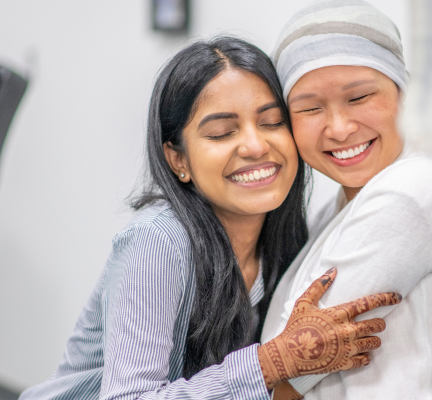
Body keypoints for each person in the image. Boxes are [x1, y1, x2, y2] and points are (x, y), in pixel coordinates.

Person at [19, 37, 401, 400]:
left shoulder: (289, 240)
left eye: (271, 122)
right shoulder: (157, 241)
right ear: (178, 160)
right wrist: (270, 363)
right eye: (221, 133)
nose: (255, 146)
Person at [261, 1, 432, 399]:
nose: (340, 128)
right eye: (310, 108)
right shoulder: (336, 209)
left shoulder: (413, 190)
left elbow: (288, 379)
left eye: (359, 97)